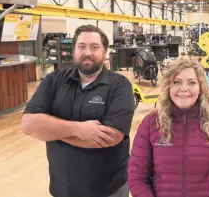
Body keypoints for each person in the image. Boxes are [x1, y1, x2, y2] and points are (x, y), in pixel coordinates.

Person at [22, 25, 135, 197]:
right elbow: (29, 124)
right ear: (74, 50)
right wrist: (79, 130)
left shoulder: (120, 85)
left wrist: (52, 132)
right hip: (63, 187)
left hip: (108, 189)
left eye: (94, 47)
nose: (87, 52)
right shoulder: (54, 80)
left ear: (104, 51)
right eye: (81, 46)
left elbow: (111, 137)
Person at [128, 58, 209, 197]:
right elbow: (137, 177)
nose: (184, 89)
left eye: (191, 83)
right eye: (177, 82)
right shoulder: (151, 124)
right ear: (169, 87)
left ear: (201, 88)